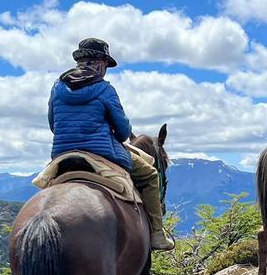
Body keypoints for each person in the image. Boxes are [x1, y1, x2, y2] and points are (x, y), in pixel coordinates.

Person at [48, 38, 175, 250]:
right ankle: (157, 235)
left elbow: (53, 124)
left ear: (80, 60)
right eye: (106, 64)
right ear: (101, 62)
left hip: (63, 153)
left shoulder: (57, 87)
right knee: (150, 175)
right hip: (102, 152)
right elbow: (124, 132)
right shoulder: (104, 89)